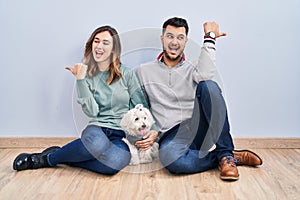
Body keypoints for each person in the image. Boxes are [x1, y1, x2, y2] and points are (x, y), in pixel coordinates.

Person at [135, 17, 263, 181]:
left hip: (197, 128)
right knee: (172, 161)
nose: (174, 42)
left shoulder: (195, 67)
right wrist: (152, 131)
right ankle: (225, 157)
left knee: (208, 85)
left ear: (186, 41)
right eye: (170, 36)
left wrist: (210, 37)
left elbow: (207, 74)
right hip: (170, 135)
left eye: (180, 37)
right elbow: (141, 107)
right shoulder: (143, 71)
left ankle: (225, 153)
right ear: (162, 38)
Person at [13, 25, 149, 175]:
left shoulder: (127, 74)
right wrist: (80, 79)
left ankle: (64, 156)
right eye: (96, 41)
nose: (99, 45)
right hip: (97, 128)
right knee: (97, 144)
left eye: (105, 42)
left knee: (114, 163)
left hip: (121, 134)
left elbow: (140, 105)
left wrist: (144, 133)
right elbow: (92, 111)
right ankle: (44, 159)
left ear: (114, 49)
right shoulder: (85, 75)